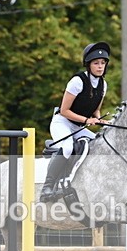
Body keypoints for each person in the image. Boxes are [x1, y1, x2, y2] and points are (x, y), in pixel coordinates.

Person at [40, 41, 111, 202]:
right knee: (67, 147)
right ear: (88, 65)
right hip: (62, 122)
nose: (100, 66)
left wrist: (99, 119)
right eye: (96, 63)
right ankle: (47, 187)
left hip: (78, 126)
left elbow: (96, 109)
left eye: (103, 63)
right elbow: (65, 111)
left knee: (100, 145)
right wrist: (87, 120)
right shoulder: (77, 81)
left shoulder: (103, 84)